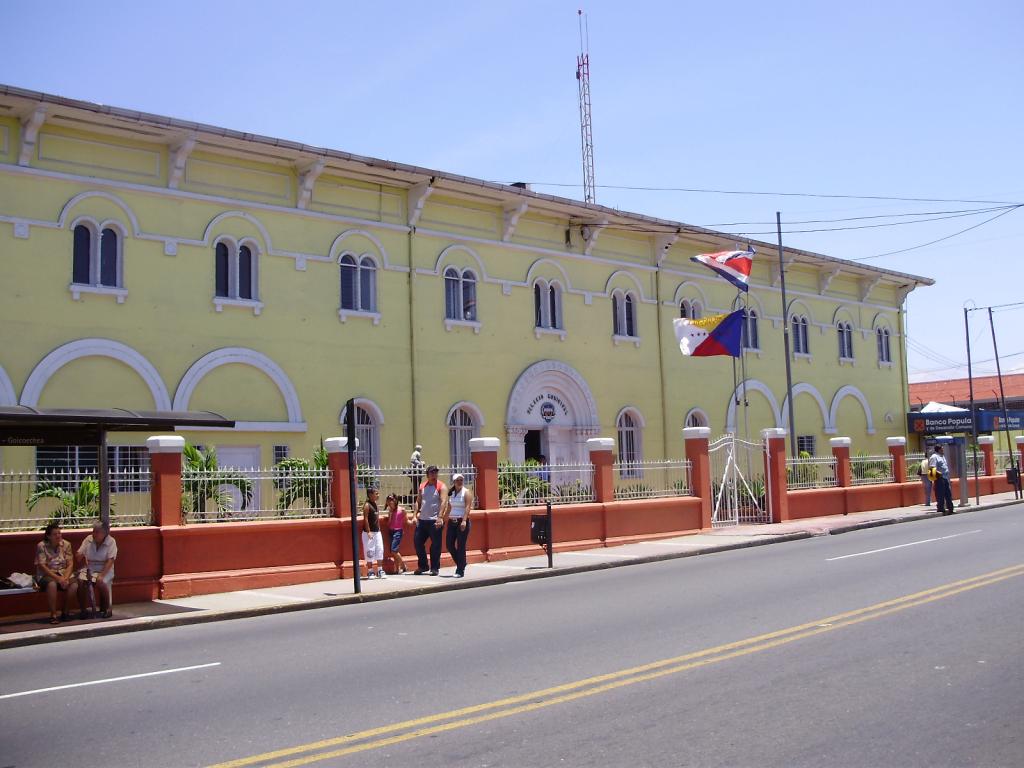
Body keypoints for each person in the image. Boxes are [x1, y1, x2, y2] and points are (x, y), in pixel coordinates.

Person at [35, 522, 78, 624]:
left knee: (74, 585)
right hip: (47, 574)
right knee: (52, 584)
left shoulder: (66, 544)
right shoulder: (41, 546)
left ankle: (65, 611)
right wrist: (58, 579)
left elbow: (70, 563)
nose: (58, 536)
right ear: (48, 536)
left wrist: (65, 578)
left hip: (63, 573)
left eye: (59, 533)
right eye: (55, 534)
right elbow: (42, 566)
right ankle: (53, 614)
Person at [77, 520, 117, 618]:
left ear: (104, 533)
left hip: (105, 568)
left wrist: (102, 575)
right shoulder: (88, 539)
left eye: (97, 532)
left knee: (101, 581)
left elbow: (110, 560)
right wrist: (80, 554)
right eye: (93, 531)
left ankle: (108, 608)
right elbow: (78, 556)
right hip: (90, 567)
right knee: (80, 581)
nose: (94, 534)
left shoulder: (111, 541)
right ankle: (83, 610)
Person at [413, 465, 447, 575]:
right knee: (417, 542)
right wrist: (415, 514)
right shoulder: (422, 486)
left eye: (436, 472)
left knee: (435, 545)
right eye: (432, 473)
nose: (434, 475)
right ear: (427, 475)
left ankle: (434, 568)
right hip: (422, 520)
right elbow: (418, 501)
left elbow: (443, 502)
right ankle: (423, 566)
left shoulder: (441, 486)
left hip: (434, 520)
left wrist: (440, 517)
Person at [443, 473, 474, 578]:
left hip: (461, 521)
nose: (459, 482)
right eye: (457, 480)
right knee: (449, 545)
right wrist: (443, 519)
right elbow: (449, 507)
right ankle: (462, 563)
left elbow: (467, 507)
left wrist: (464, 521)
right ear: (454, 482)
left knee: (461, 546)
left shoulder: (466, 492)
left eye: (461, 480)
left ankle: (460, 570)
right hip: (452, 521)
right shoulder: (451, 493)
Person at [361, 487, 385, 579]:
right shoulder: (367, 505)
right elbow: (365, 519)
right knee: (369, 551)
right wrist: (368, 532)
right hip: (369, 533)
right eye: (376, 493)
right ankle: (370, 571)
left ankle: (380, 570)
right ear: (370, 495)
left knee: (380, 550)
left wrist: (378, 529)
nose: (378, 495)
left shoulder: (375, 504)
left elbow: (377, 519)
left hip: (377, 532)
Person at [385, 493, 408, 574]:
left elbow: (406, 521)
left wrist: (413, 521)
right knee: (394, 551)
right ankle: (397, 569)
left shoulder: (402, 510)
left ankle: (403, 566)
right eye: (388, 501)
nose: (389, 503)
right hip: (391, 531)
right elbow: (388, 523)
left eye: (391, 501)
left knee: (394, 550)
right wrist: (390, 515)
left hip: (398, 531)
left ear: (395, 501)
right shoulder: (390, 511)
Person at [929, 444, 954, 515]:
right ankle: (941, 508)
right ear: (939, 450)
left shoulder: (942, 456)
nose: (943, 450)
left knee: (948, 494)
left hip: (945, 478)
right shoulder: (934, 457)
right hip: (940, 478)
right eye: (942, 449)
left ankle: (950, 508)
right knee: (940, 494)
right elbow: (932, 468)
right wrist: (936, 478)